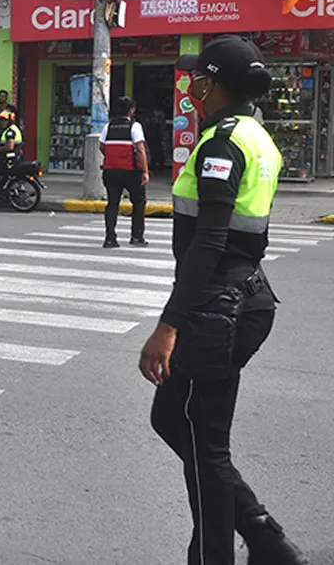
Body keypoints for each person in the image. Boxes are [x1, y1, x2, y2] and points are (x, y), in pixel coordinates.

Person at [140, 35, 308, 565]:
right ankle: (261, 533)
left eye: (197, 76)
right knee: (177, 421)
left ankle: (228, 551)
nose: (190, 83)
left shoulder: (222, 143)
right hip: (243, 298)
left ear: (209, 84)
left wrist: (169, 325)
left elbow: (210, 241)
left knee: (204, 444)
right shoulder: (256, 136)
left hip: (217, 307)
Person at [100, 96, 149, 249]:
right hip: (131, 171)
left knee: (112, 203)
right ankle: (136, 236)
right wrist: (145, 171)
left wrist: (112, 157)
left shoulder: (108, 126)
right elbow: (140, 149)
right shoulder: (135, 126)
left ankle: (110, 238)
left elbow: (102, 146)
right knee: (139, 202)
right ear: (131, 110)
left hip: (110, 171)